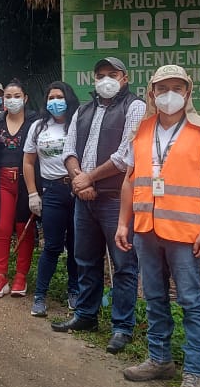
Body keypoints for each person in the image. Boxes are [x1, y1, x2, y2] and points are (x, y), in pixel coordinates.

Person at [116, 65, 200, 387]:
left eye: (176, 87)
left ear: (188, 92)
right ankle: (159, 358)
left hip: (184, 231)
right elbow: (130, 180)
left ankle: (194, 372)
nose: (169, 94)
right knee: (153, 295)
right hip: (146, 229)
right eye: (162, 88)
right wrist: (124, 223)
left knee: (191, 301)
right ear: (151, 93)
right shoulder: (141, 130)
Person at [52, 56, 146, 355]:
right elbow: (69, 148)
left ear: (124, 77)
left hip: (116, 199)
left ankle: (122, 327)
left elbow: (125, 155)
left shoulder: (135, 107)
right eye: (100, 74)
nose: (105, 79)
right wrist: (80, 179)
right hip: (85, 198)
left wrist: (88, 178)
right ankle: (85, 315)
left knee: (124, 265)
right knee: (85, 260)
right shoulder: (84, 109)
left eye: (112, 74)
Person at [22, 81, 81, 317]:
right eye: (50, 97)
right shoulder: (38, 127)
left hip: (78, 190)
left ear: (68, 98)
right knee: (52, 246)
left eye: (59, 96)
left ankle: (75, 292)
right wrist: (33, 193)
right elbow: (28, 162)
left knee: (77, 247)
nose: (54, 101)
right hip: (52, 191)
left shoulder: (80, 123)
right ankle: (40, 296)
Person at [0, 79, 39, 298]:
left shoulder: (35, 121)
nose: (12, 100)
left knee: (24, 228)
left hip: (27, 182)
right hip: (2, 181)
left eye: (16, 96)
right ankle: (0, 276)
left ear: (25, 98)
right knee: (2, 228)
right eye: (8, 96)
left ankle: (21, 275)